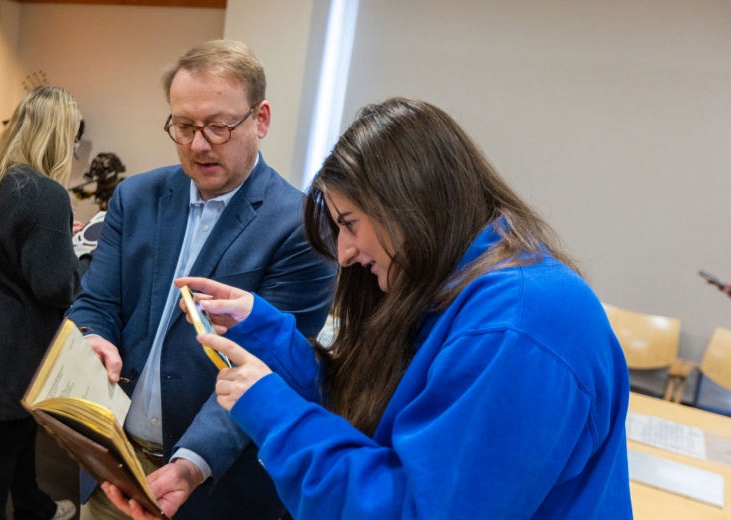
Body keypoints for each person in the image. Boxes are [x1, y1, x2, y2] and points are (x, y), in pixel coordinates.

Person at [125, 97, 634, 519]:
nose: (344, 253)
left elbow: (410, 509)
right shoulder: (461, 287)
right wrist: (263, 331)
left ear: (409, 205)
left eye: (350, 223)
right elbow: (366, 407)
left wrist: (273, 412)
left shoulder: (514, 329)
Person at [66, 40, 337, 520]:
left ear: (262, 119)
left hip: (214, 489)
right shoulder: (137, 197)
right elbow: (96, 303)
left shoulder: (300, 226)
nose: (197, 144)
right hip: (115, 470)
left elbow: (268, 367)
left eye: (217, 126)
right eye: (184, 126)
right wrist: (93, 339)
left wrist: (191, 464)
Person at [0, 85, 82, 520]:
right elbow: (56, 286)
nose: (74, 142)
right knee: (5, 443)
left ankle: (33, 503)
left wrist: (54, 244)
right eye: (73, 132)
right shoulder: (47, 194)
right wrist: (79, 260)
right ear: (57, 133)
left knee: (17, 428)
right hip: (25, 334)